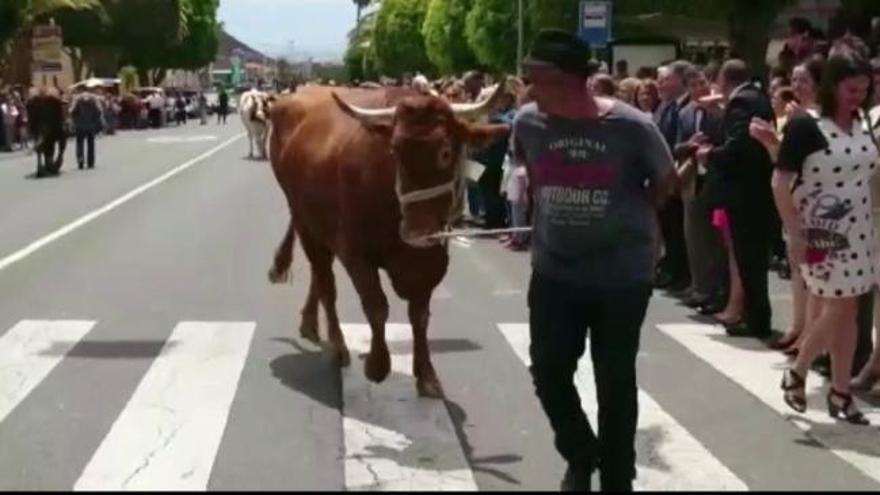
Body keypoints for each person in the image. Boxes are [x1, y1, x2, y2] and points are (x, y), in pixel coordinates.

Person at [512, 29, 676, 492]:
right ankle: (581, 452)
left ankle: (617, 479)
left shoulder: (632, 127)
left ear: (568, 80)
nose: (528, 88)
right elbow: (531, 174)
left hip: (622, 277)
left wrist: (631, 220)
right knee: (547, 369)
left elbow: (665, 184)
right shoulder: (527, 123)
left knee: (615, 381)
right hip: (554, 272)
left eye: (536, 78)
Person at [773, 48, 876, 425]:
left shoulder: (861, 122)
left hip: (861, 229)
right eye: (852, 89)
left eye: (864, 89)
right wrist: (795, 233)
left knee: (848, 313)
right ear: (832, 85)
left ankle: (841, 391)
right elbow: (780, 183)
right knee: (840, 306)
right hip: (821, 230)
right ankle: (799, 369)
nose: (858, 96)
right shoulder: (806, 126)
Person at [696, 59, 776, 338]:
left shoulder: (741, 101)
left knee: (748, 258)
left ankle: (755, 319)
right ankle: (754, 314)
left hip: (745, 192)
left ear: (724, 78)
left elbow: (740, 147)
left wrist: (710, 155)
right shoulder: (757, 97)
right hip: (756, 189)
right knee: (750, 257)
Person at [654, 61, 694, 293]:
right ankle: (674, 270)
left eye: (666, 79)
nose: (662, 83)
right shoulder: (668, 106)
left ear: (680, 80)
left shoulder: (685, 107)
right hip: (665, 172)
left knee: (678, 228)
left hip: (681, 175)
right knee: (670, 228)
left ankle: (682, 274)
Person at [70, 85, 105, 170]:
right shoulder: (94, 98)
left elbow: (72, 111)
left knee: (79, 143)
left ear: (80, 90)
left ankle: (80, 160)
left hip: (80, 125)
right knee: (91, 144)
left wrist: (75, 120)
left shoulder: (77, 98)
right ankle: (90, 162)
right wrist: (96, 121)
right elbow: (99, 110)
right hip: (91, 125)